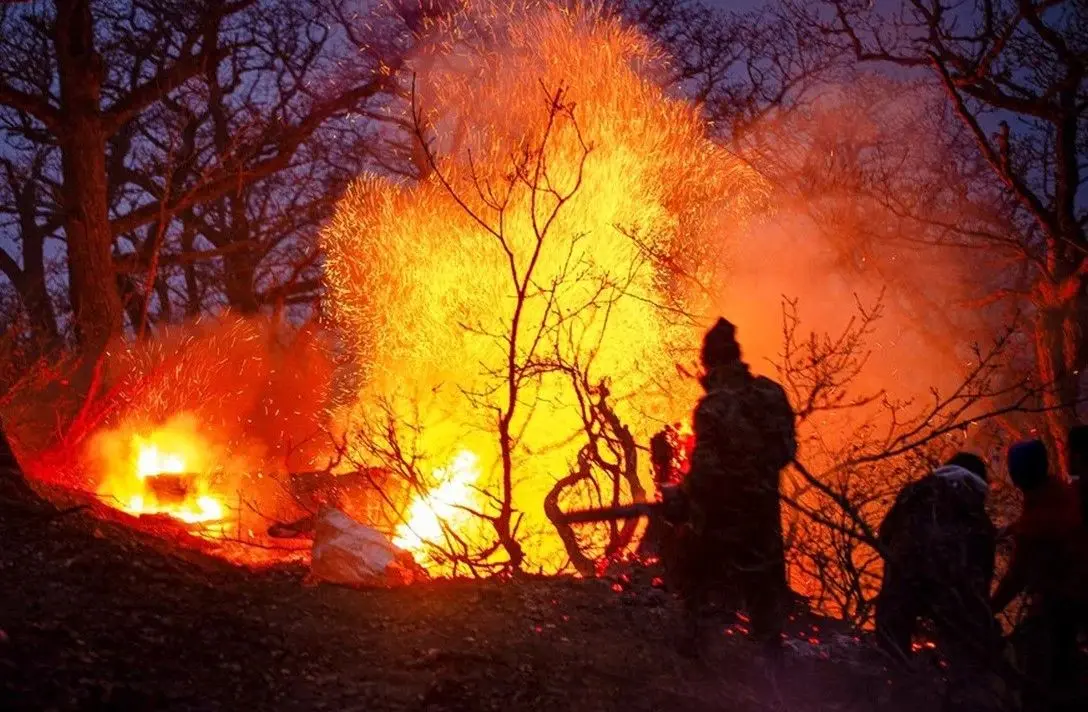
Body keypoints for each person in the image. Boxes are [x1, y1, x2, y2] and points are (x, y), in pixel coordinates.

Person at [673, 317, 796, 656]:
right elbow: (786, 452)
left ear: (710, 363)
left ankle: (696, 664)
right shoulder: (771, 394)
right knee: (765, 600)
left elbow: (706, 471)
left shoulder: (714, 406)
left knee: (698, 584)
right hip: (764, 517)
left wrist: (683, 496)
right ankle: (775, 678)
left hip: (722, 520)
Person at [875, 452, 1005, 710]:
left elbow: (884, 535)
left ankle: (894, 692)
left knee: (890, 636)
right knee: (970, 653)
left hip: (903, 582)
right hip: (950, 589)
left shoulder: (912, 494)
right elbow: (982, 570)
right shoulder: (976, 516)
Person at [992, 439, 1084, 712]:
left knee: (1039, 682)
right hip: (1076, 596)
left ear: (1017, 474)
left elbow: (1016, 577)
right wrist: (1011, 529)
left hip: (1061, 606)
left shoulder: (1037, 524)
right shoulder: (1061, 492)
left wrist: (989, 608)